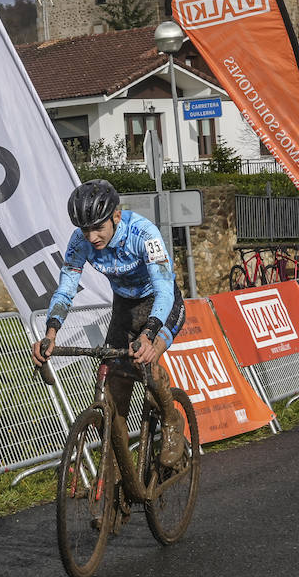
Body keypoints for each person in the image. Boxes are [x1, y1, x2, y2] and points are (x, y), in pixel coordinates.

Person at [31, 179, 187, 469]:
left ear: (116, 216)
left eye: (97, 228)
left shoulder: (145, 234)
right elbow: (66, 290)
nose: (91, 237)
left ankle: (171, 420)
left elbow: (165, 289)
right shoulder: (80, 242)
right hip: (125, 307)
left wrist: (150, 334)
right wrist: (50, 332)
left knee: (147, 362)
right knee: (115, 385)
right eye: (85, 229)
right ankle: (118, 468)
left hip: (161, 303)